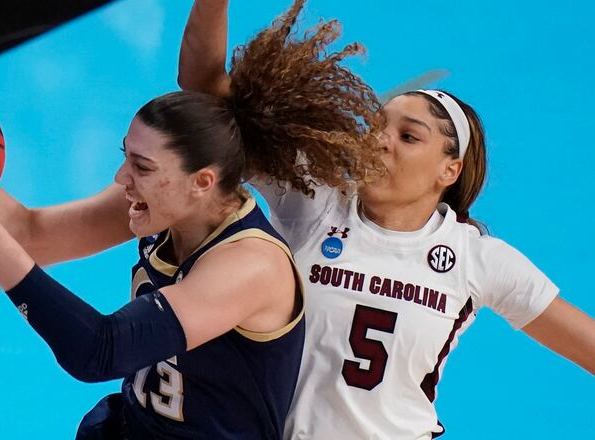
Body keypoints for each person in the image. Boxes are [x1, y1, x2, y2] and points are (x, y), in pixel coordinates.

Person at [0, 4, 386, 438]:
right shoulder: (160, 206)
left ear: (202, 181)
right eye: (125, 155)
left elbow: (98, 351)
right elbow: (31, 235)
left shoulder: (250, 266)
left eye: (142, 167)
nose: (121, 177)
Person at [176, 0, 595, 439]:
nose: (379, 141)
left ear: (449, 171)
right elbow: (203, 91)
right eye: (377, 126)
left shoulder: (476, 259)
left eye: (408, 136)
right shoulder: (314, 198)